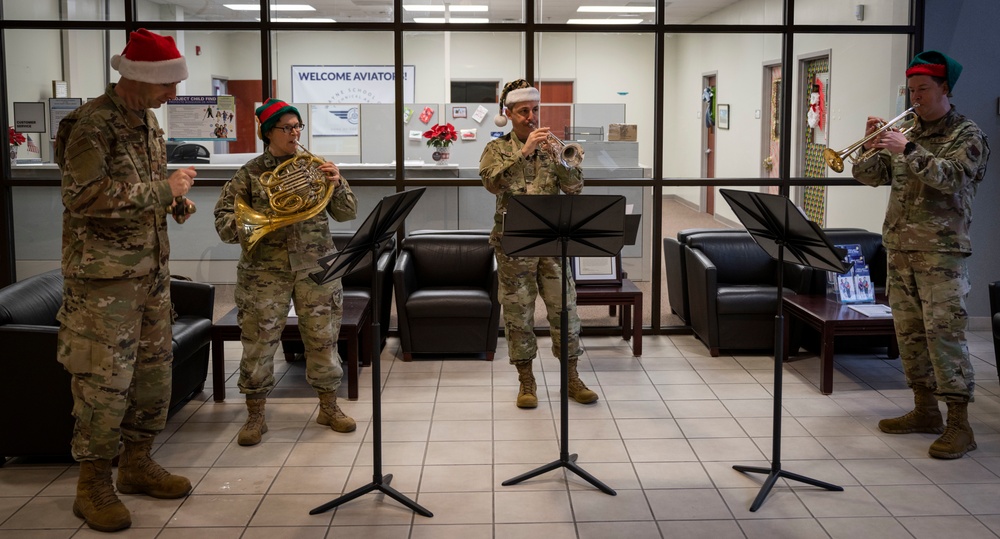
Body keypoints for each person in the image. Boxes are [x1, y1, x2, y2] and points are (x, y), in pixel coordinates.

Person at [53, 29, 198, 533]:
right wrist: (163, 189)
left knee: (154, 379)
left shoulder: (147, 122)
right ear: (137, 77)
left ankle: (136, 464)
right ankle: (92, 486)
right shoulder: (91, 125)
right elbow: (83, 196)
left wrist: (173, 202)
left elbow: (142, 192)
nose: (173, 95)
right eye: (167, 85)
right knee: (104, 385)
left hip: (151, 275)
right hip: (104, 284)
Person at [852, 50, 990, 459]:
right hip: (899, 250)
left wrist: (907, 148)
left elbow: (950, 179)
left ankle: (960, 425)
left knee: (945, 337)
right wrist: (872, 146)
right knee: (910, 336)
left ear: (945, 89)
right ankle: (925, 411)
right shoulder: (908, 131)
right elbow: (867, 177)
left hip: (942, 254)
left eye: (923, 90)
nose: (915, 98)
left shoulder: (967, 135)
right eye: (911, 90)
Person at [214, 98, 358, 446]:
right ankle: (255, 415)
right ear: (269, 132)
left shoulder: (317, 167)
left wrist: (338, 184)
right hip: (264, 272)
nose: (295, 133)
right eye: (287, 128)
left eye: (298, 127)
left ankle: (328, 406)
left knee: (323, 339)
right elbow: (223, 223)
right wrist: (258, 224)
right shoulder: (248, 174)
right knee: (259, 343)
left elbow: (348, 213)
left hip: (316, 267)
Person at [479, 79, 598, 409]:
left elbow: (575, 189)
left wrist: (563, 160)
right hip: (513, 246)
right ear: (508, 114)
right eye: (523, 111)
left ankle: (571, 377)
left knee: (566, 311)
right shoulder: (496, 149)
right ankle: (526, 381)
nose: (531, 117)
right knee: (519, 315)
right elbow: (492, 183)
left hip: (552, 244)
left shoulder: (552, 147)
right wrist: (524, 151)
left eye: (534, 110)